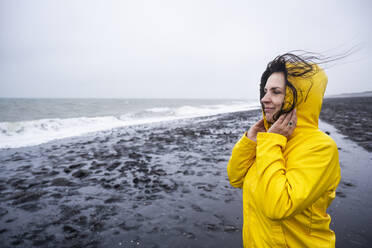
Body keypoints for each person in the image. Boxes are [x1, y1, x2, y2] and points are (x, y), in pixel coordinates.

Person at [227, 53, 341, 247]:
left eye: (276, 92)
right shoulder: (268, 140)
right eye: (265, 91)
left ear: (302, 98)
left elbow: (279, 206)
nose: (264, 99)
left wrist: (271, 141)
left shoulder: (320, 148)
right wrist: (250, 142)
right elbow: (236, 178)